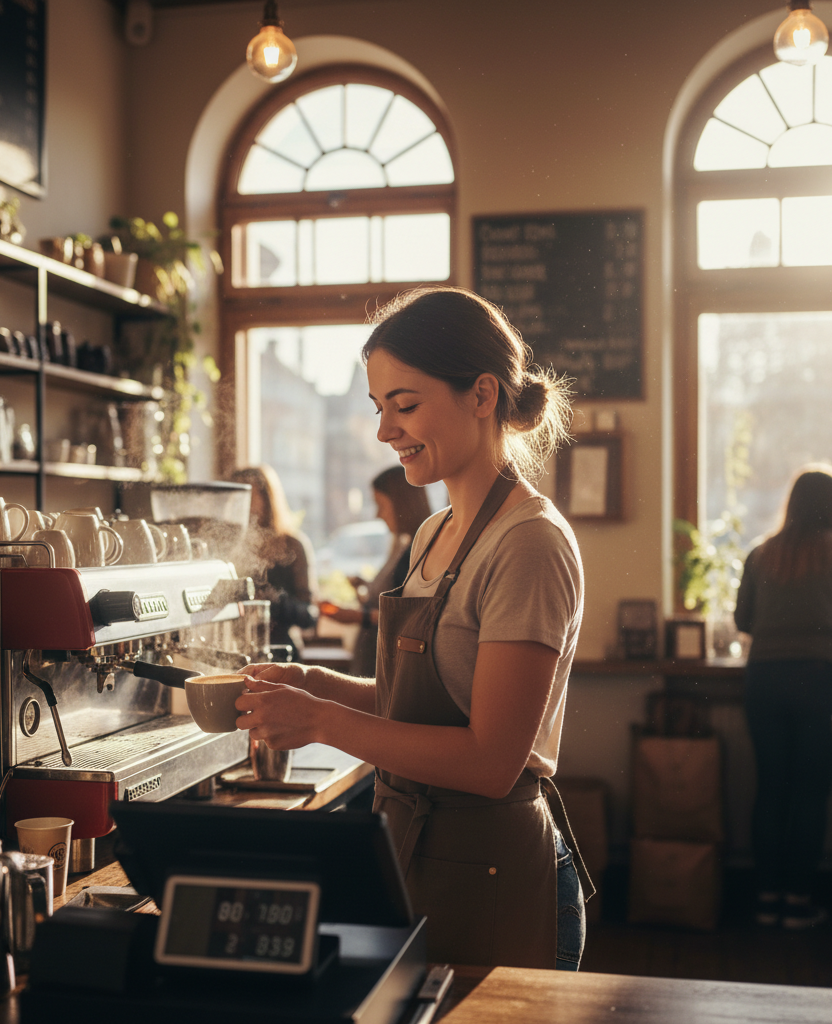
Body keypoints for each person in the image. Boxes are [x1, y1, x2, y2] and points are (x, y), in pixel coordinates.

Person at [237, 287, 591, 970]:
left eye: (405, 405)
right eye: (379, 408)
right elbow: (430, 708)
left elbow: (490, 761)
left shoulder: (528, 543)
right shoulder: (435, 532)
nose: (384, 430)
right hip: (421, 852)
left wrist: (319, 722)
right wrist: (316, 685)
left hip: (495, 871)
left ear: (482, 395)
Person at [734, 464, 832, 929]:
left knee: (771, 787)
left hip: (765, 678)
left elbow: (744, 622)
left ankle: (765, 898)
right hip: (823, 678)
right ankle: (799, 902)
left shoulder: (762, 554)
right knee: (811, 792)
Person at [320, 465, 432, 677]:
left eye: (381, 505)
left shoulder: (420, 551)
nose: (378, 515)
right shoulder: (401, 546)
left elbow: (413, 618)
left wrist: (357, 617)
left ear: (402, 504)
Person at [229, 464, 318, 654]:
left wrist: (273, 601)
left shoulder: (293, 545)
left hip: (280, 651)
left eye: (250, 497)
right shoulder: (228, 545)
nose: (243, 506)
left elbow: (309, 616)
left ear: (267, 499)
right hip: (235, 649)